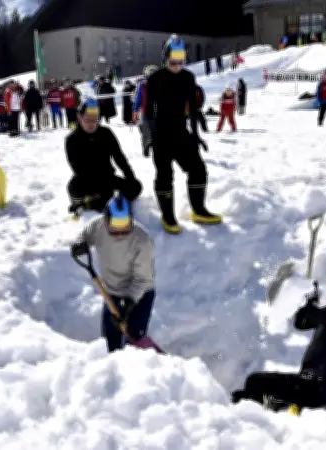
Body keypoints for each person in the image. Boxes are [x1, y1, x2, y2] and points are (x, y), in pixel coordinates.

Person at [231, 258, 326, 415]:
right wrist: (309, 299)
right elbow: (302, 323)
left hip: (317, 387)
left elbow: (316, 315)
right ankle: (276, 406)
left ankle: (267, 408)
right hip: (308, 382)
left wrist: (305, 293)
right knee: (254, 385)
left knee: (254, 383)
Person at [145, 41, 221, 234]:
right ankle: (168, 216)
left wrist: (195, 135)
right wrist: (149, 137)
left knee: (198, 169)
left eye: (181, 62)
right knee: (164, 175)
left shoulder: (188, 77)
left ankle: (199, 210)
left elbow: (193, 109)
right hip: (161, 134)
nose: (177, 67)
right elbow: (149, 112)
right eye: (173, 63)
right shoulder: (156, 78)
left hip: (181, 132)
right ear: (165, 59)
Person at [70, 193, 156, 352]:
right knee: (110, 342)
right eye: (116, 224)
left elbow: (143, 279)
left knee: (135, 339)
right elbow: (84, 236)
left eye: (125, 223)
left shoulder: (142, 239)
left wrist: (129, 303)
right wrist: (79, 243)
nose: (120, 230)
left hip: (140, 295)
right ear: (106, 219)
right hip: (112, 294)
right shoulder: (97, 226)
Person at [65, 98, 143, 215]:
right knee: (73, 187)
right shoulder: (72, 139)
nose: (92, 124)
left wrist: (130, 177)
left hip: (107, 176)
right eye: (88, 119)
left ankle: (96, 202)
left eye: (95, 119)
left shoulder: (106, 133)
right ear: (79, 117)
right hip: (86, 179)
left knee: (136, 187)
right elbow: (77, 168)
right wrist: (100, 188)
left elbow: (119, 157)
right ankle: (88, 202)